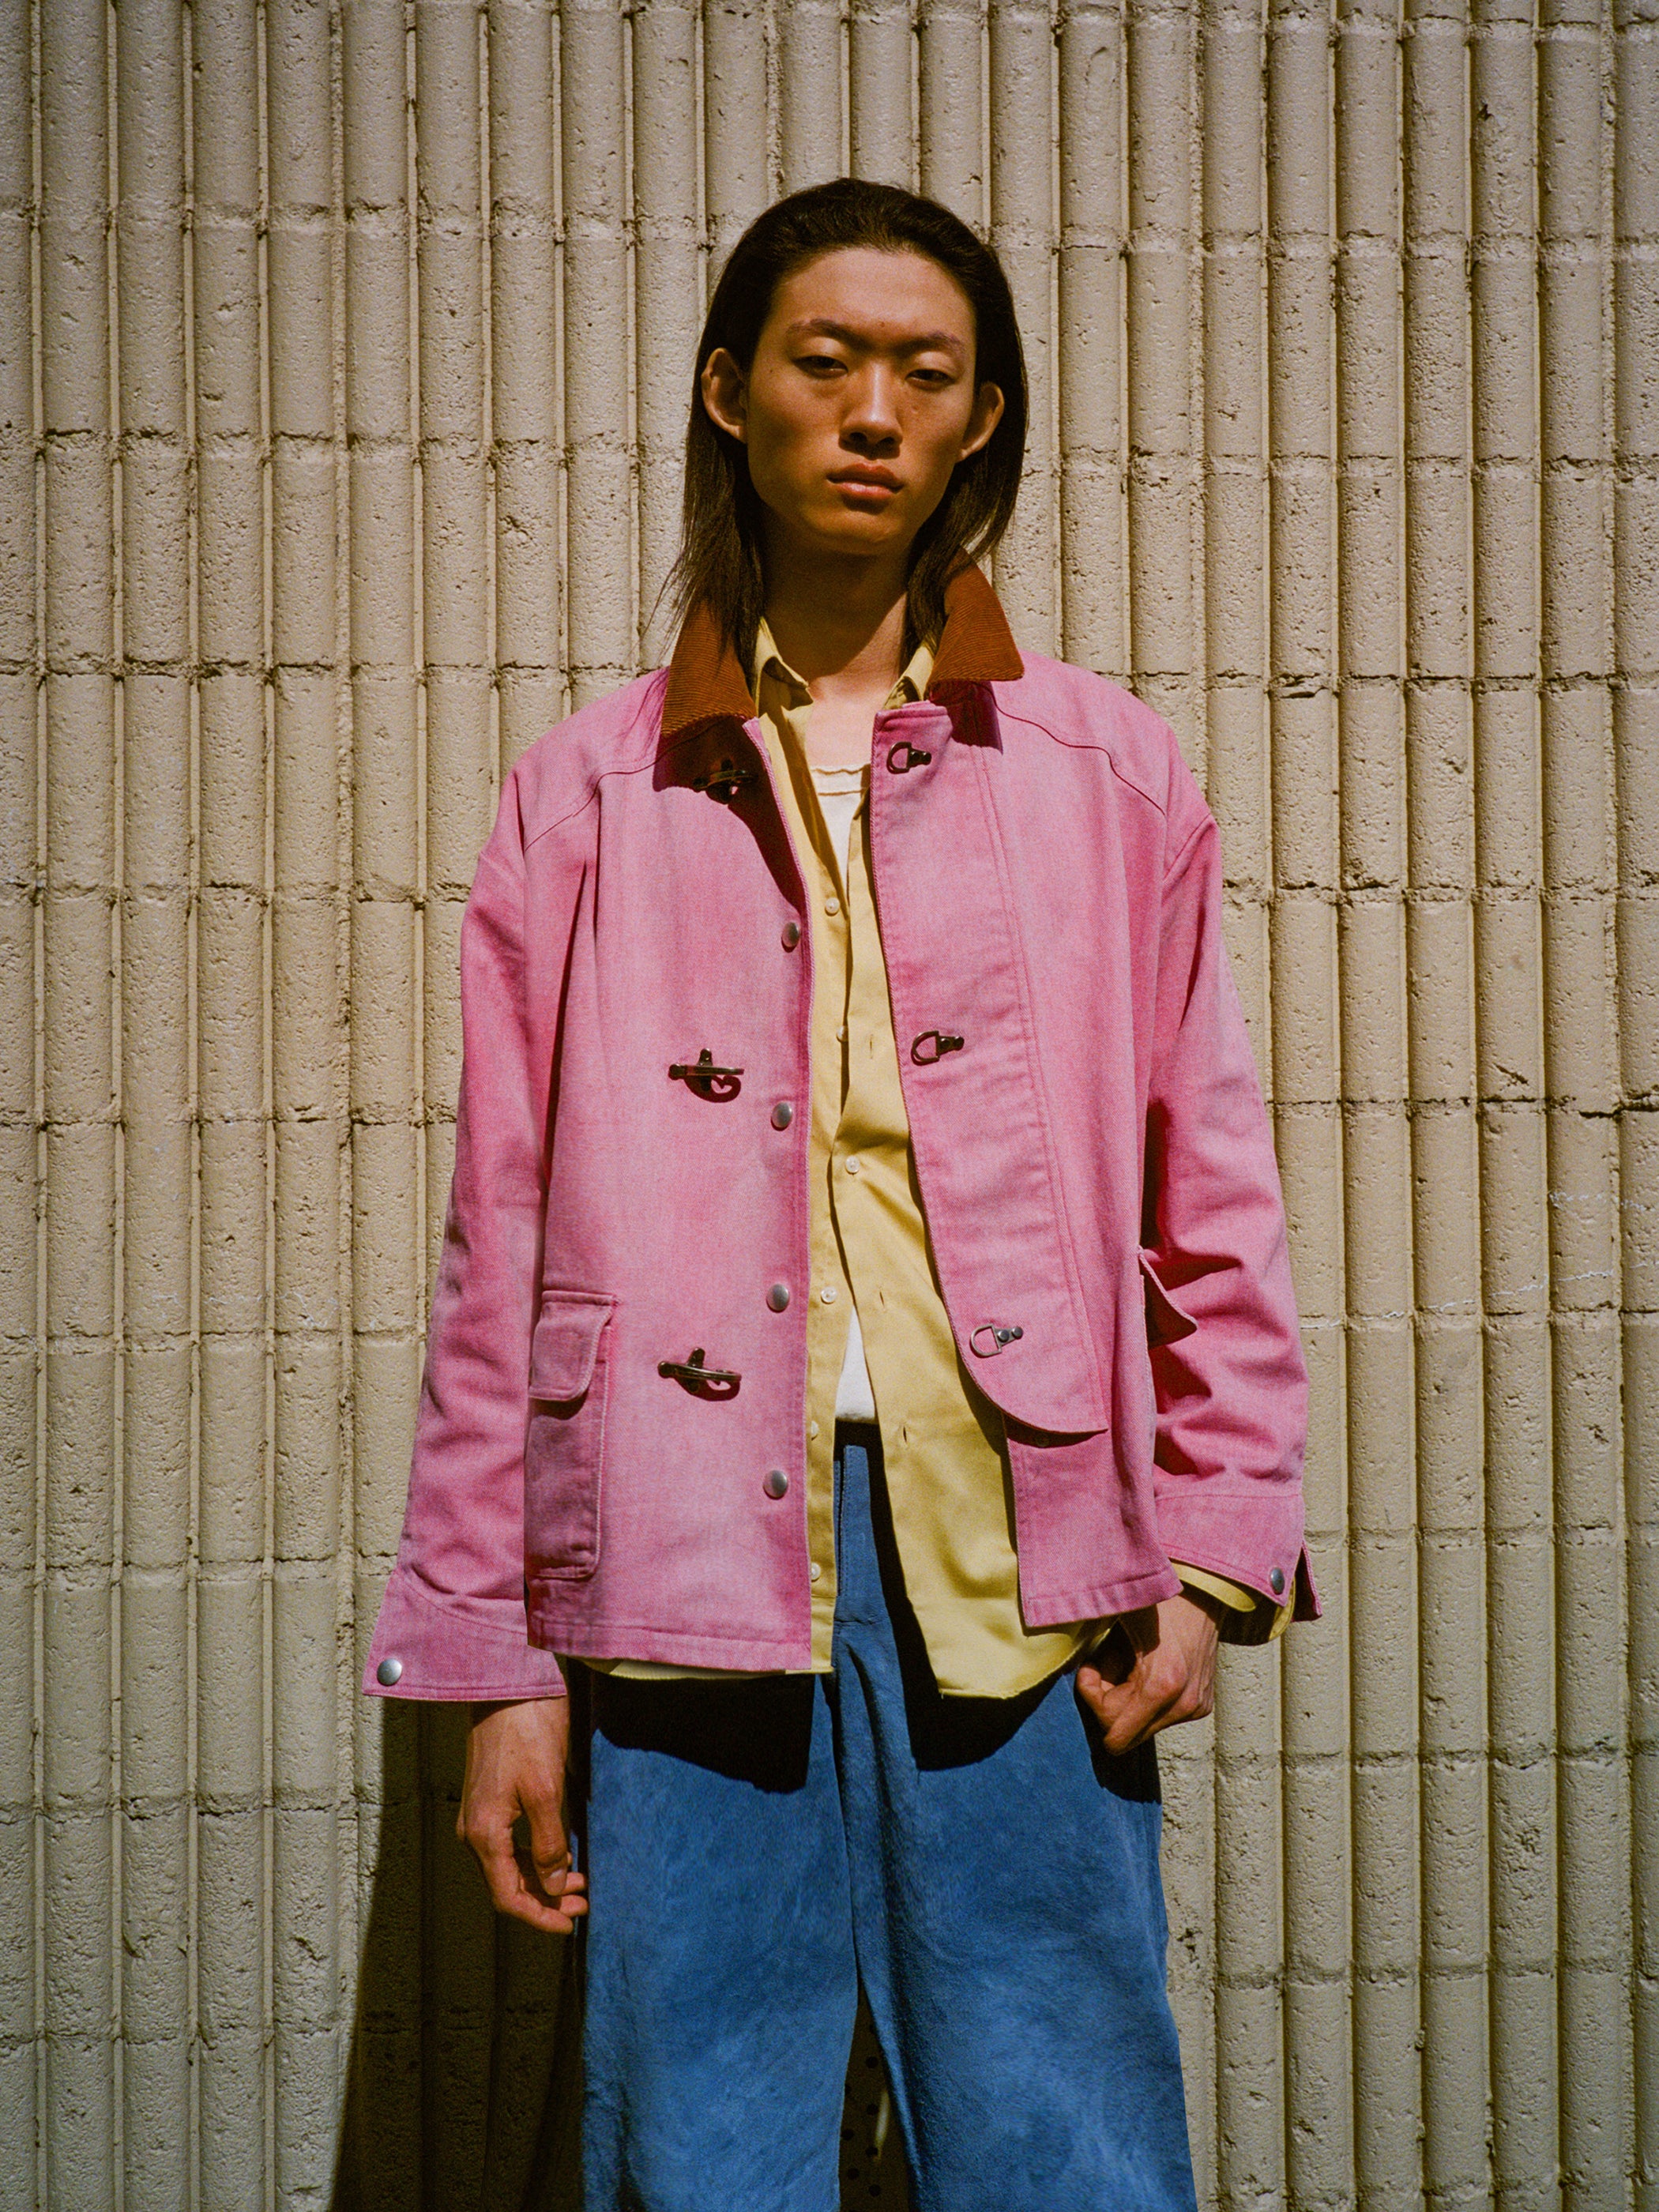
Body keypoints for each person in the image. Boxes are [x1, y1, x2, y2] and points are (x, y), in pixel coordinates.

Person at [363, 177, 1317, 2211]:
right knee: (699, 2139)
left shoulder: (1107, 771)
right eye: (826, 359)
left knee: (1065, 2135)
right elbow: (499, 1250)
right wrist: (496, 1664)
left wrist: (1217, 1542)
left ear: (982, 420)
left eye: (929, 370)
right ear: (731, 392)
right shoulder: (591, 787)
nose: (875, 408)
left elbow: (1208, 1189)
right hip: (678, 1556)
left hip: (1026, 1539)